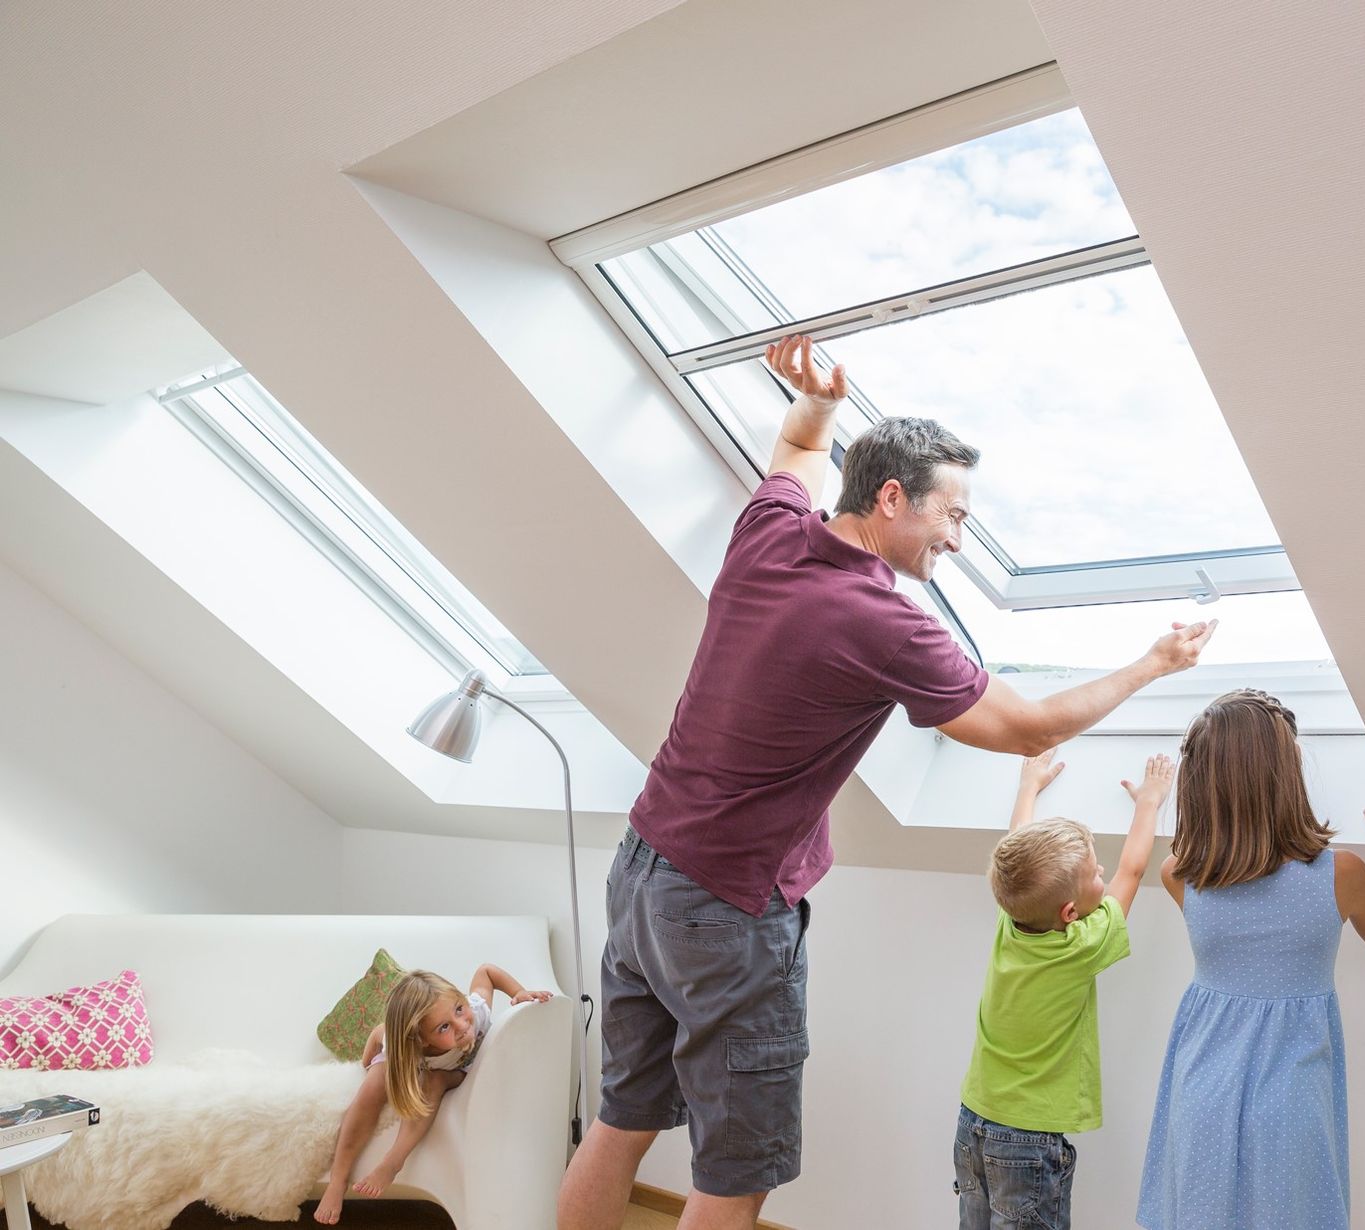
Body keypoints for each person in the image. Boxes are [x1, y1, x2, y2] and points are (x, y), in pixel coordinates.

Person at [558, 336, 1217, 1230]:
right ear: (893, 497)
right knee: (734, 1170)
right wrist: (1152, 662)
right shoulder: (881, 621)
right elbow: (1025, 727)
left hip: (642, 870)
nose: (958, 536)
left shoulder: (771, 532)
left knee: (620, 1122)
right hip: (723, 907)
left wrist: (819, 406)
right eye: (953, 514)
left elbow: (793, 454)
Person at [1136, 689, 1365, 1229]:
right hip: (1293, 1098)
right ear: (1286, 775)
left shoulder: (1181, 876)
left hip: (1200, 1089)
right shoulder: (1341, 876)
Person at [955, 749, 1173, 1229]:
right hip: (1028, 1138)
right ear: (1070, 913)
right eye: (1095, 874)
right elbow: (1132, 872)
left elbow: (1015, 851)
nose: (1103, 875)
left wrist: (1028, 787)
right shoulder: (1081, 946)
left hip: (973, 1121)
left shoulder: (1010, 919)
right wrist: (1149, 804)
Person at [315, 965, 554, 1224]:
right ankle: (337, 1181)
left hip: (453, 1071)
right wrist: (368, 1062)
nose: (462, 1025)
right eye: (444, 1027)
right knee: (373, 1084)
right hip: (410, 1057)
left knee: (434, 1079)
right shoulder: (406, 1046)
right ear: (423, 1040)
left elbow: (486, 972)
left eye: (459, 1009)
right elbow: (378, 1038)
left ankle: (393, 1162)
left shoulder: (477, 1011)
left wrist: (518, 993)